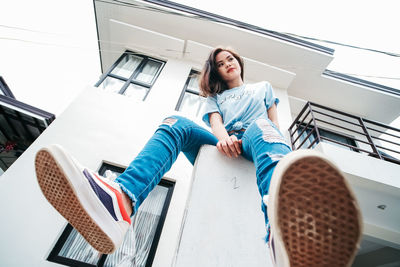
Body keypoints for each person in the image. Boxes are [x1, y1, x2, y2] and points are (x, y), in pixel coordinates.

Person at [35, 46, 362, 266]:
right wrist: (223, 141)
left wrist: (283, 157)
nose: (226, 64)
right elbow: (216, 124)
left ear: (238, 61)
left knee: (262, 128)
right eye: (219, 64)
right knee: (175, 123)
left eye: (230, 58)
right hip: (227, 141)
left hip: (258, 139)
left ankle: (285, 219)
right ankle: (121, 201)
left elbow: (276, 127)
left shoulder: (262, 88)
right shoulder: (215, 100)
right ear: (216, 73)